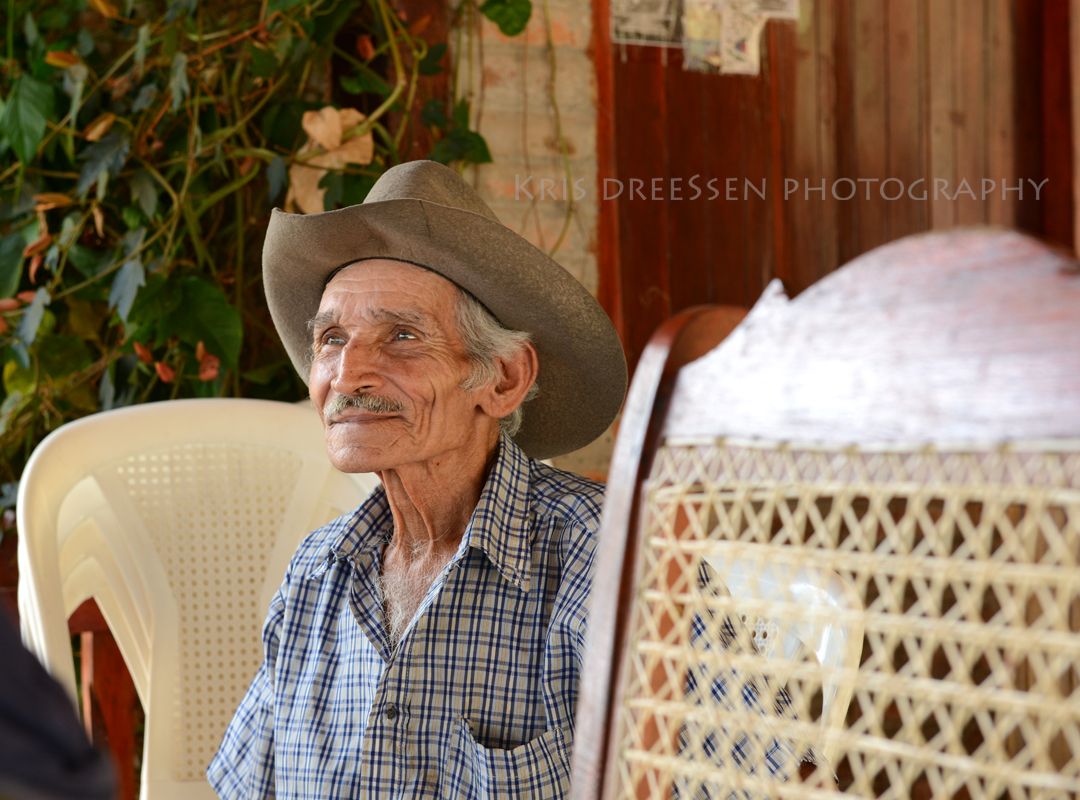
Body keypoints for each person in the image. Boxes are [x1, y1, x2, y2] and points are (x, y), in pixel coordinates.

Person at [207, 160, 628, 798]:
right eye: (332, 338)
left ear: (504, 379)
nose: (347, 374)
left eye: (401, 336)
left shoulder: (611, 564)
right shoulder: (316, 574)